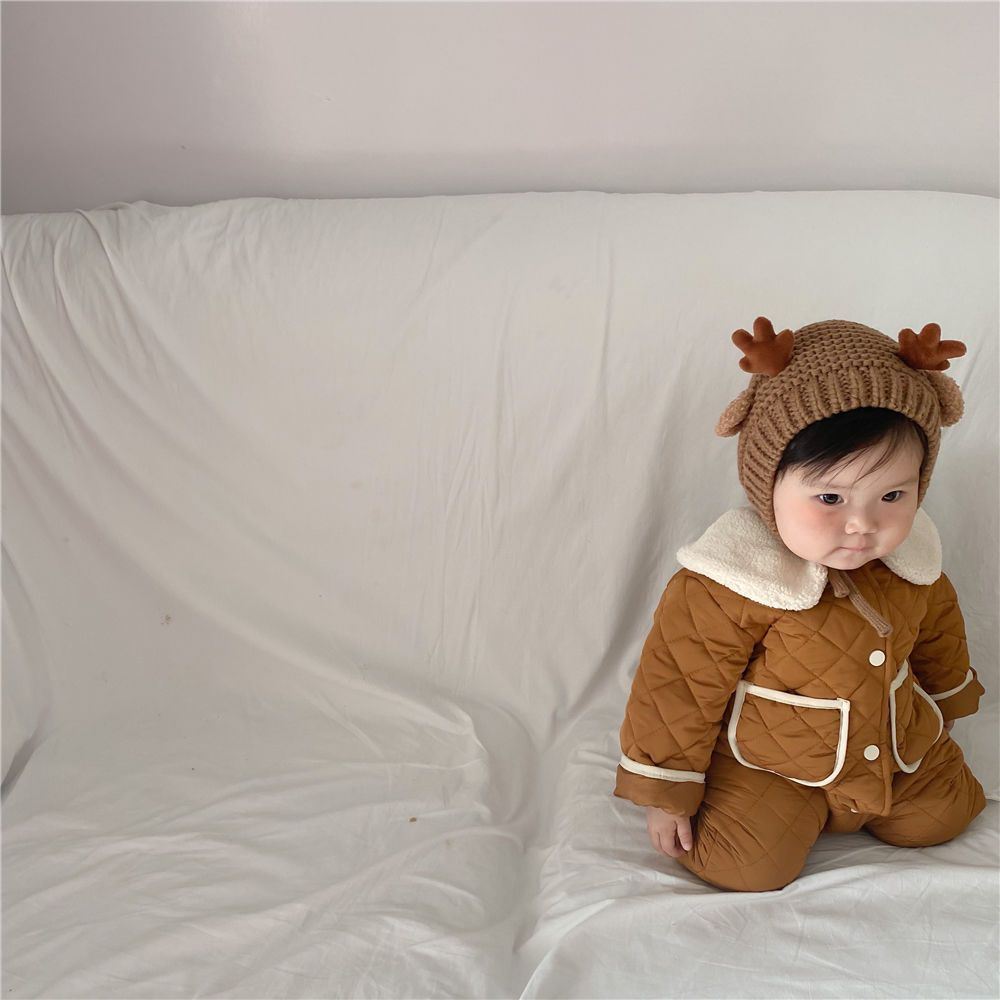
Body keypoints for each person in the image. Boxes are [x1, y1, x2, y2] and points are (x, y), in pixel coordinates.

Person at [612, 317, 987, 892]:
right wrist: (666, 793)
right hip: (773, 760)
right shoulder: (731, 579)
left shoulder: (911, 562)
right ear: (768, 487)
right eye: (830, 498)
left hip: (888, 739)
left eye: (892, 495)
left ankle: (879, 797)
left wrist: (947, 702)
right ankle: (764, 806)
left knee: (948, 815)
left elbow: (938, 635)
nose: (862, 524)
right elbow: (679, 686)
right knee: (749, 867)